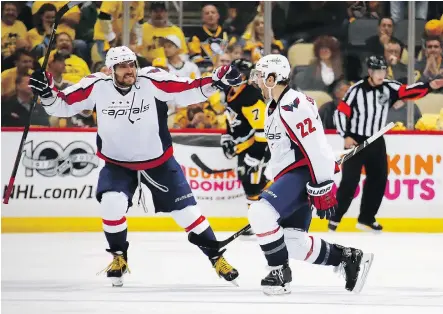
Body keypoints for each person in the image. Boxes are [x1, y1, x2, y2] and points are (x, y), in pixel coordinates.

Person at [28, 46, 243, 287]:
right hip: (118, 164)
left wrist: (216, 81)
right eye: (122, 66)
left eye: (131, 64)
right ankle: (119, 257)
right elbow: (62, 105)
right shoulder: (96, 86)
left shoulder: (151, 79)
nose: (129, 70)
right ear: (111, 70)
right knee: (111, 204)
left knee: (188, 213)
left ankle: (217, 258)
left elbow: (187, 90)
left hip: (159, 163)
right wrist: (46, 92)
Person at [247, 54, 374, 296]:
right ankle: (347, 258)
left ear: (273, 78)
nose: (257, 81)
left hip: (302, 175)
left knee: (260, 212)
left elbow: (314, 146)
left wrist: (322, 184)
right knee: (293, 243)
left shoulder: (292, 105)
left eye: (261, 76)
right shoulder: (275, 105)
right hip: (292, 176)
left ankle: (279, 272)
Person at [332, 55, 443, 232]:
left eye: (383, 70)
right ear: (369, 72)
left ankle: (366, 218)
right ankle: (335, 217)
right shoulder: (356, 90)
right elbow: (340, 112)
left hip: (376, 140)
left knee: (379, 179)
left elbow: (409, 91)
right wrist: (345, 135)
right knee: (350, 182)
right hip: (356, 140)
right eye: (377, 70)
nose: (381, 74)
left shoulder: (389, 87)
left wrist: (429, 86)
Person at [221, 59, 270, 235]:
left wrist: (255, 156)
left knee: (254, 185)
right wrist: (227, 137)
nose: (236, 77)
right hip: (243, 146)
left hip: (258, 146)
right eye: (233, 73)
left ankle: (258, 223)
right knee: (249, 183)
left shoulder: (250, 97)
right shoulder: (228, 91)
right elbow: (231, 117)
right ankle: (257, 221)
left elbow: (262, 130)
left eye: (240, 74)